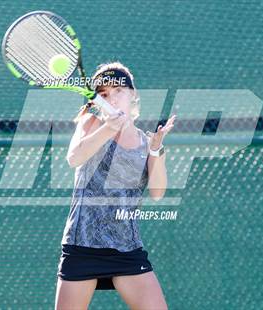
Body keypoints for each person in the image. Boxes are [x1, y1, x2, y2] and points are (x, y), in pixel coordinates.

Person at [55, 61, 176, 309]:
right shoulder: (91, 123)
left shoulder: (146, 142)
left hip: (126, 249)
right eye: (104, 93)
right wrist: (109, 127)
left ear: (133, 95)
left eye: (118, 90)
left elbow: (157, 192)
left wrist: (156, 149)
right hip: (82, 246)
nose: (112, 97)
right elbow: (74, 157)